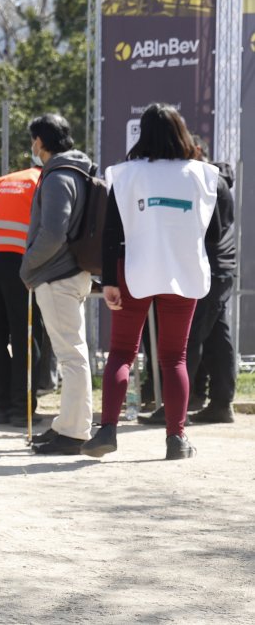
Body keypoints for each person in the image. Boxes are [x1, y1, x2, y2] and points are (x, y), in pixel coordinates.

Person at [83, 103, 218, 460]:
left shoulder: (127, 175)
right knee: (174, 358)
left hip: (134, 269)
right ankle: (176, 438)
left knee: (122, 353)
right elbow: (214, 233)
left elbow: (112, 231)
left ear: (143, 132)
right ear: (181, 131)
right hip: (184, 270)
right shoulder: (203, 175)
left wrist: (109, 279)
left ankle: (108, 429)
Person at [137, 134, 236, 425]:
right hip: (218, 267)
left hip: (207, 266)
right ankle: (220, 403)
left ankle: (175, 407)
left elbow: (205, 231)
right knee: (218, 337)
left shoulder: (205, 180)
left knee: (188, 338)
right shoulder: (212, 179)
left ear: (195, 151)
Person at [20, 113, 95, 455]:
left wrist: (28, 265)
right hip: (74, 272)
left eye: (33, 140)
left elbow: (52, 233)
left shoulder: (56, 177)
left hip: (56, 276)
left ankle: (74, 432)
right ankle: (67, 425)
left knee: (71, 356)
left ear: (40, 142)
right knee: (73, 354)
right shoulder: (78, 172)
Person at [0, 166, 45, 427]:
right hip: (18, 262)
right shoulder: (44, 180)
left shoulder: (1, 181)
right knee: (25, 336)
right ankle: (21, 409)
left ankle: (1, 407)